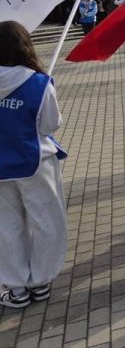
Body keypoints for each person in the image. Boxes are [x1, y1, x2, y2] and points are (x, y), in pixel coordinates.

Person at [0, 22, 68, 308]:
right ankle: (41, 280)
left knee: (6, 226)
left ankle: (15, 287)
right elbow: (51, 124)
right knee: (47, 221)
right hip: (35, 162)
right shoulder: (38, 83)